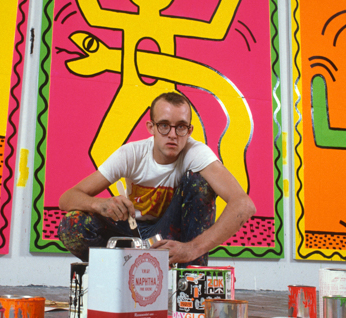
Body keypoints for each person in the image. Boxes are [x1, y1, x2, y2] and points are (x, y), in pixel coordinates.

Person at [58, 92, 256, 266]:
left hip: (170, 236)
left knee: (200, 183)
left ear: (189, 131)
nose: (172, 134)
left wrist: (191, 249)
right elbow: (67, 198)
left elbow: (243, 205)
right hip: (130, 232)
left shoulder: (196, 153)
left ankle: (190, 281)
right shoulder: (131, 154)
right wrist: (101, 205)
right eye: (164, 126)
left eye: (180, 127)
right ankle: (116, 278)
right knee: (72, 224)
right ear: (151, 127)